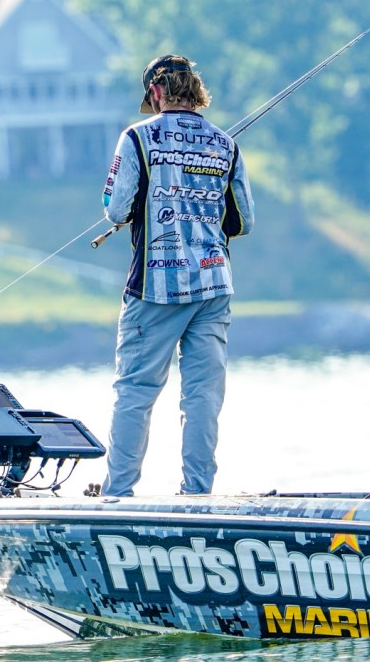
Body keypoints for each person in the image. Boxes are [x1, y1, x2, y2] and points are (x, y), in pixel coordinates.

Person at [100, 54, 254, 497]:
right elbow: (243, 220)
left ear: (155, 91)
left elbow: (116, 210)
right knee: (203, 396)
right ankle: (197, 493)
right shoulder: (226, 144)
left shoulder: (136, 137)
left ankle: (118, 494)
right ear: (193, 89)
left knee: (136, 390)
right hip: (214, 283)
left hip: (154, 288)